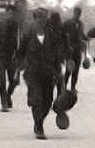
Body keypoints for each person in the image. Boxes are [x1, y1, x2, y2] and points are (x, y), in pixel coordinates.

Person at [18, 8, 64, 139]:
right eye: (39, 17)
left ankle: (39, 121)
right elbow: (21, 52)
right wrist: (18, 67)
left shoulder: (52, 34)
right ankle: (39, 127)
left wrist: (59, 71)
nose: (41, 20)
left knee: (48, 101)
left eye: (44, 17)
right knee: (36, 99)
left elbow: (57, 54)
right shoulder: (28, 33)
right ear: (35, 18)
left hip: (48, 73)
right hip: (32, 72)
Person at [0, 5, 22, 112]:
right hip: (0, 57)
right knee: (2, 81)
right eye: (10, 13)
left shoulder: (17, 26)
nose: (11, 15)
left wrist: (19, 57)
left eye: (13, 14)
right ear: (6, 13)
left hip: (12, 57)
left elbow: (19, 42)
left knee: (14, 81)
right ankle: (4, 103)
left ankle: (8, 96)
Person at [62, 6, 87, 92]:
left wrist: (86, 38)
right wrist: (67, 46)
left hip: (78, 50)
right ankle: (64, 87)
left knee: (76, 70)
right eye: (77, 13)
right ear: (74, 13)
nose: (78, 15)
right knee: (69, 69)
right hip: (70, 51)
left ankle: (73, 87)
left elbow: (81, 35)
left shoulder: (81, 24)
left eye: (79, 14)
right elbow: (64, 35)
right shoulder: (67, 23)